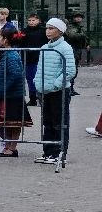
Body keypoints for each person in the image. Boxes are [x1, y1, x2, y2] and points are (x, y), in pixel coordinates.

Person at [0, 24, 31, 157]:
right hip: (5, 93)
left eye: (0, 37)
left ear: (5, 40)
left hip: (12, 95)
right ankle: (8, 145)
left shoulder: (11, 55)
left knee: (13, 122)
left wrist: (4, 89)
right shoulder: (6, 54)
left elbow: (15, 75)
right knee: (7, 122)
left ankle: (12, 147)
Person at [37, 16, 76, 163]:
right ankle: (48, 152)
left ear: (60, 31)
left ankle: (59, 153)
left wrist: (56, 84)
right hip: (45, 91)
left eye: (51, 28)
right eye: (47, 28)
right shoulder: (44, 47)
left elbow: (70, 70)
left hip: (59, 91)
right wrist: (37, 83)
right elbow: (40, 68)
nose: (48, 31)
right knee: (47, 122)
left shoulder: (65, 48)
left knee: (59, 122)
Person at [20, 10, 47, 105]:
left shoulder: (44, 31)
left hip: (39, 59)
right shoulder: (23, 31)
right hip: (27, 59)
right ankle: (32, 99)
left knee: (39, 79)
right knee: (29, 79)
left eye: (33, 20)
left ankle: (42, 99)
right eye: (29, 20)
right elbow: (20, 43)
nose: (31, 22)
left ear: (38, 21)